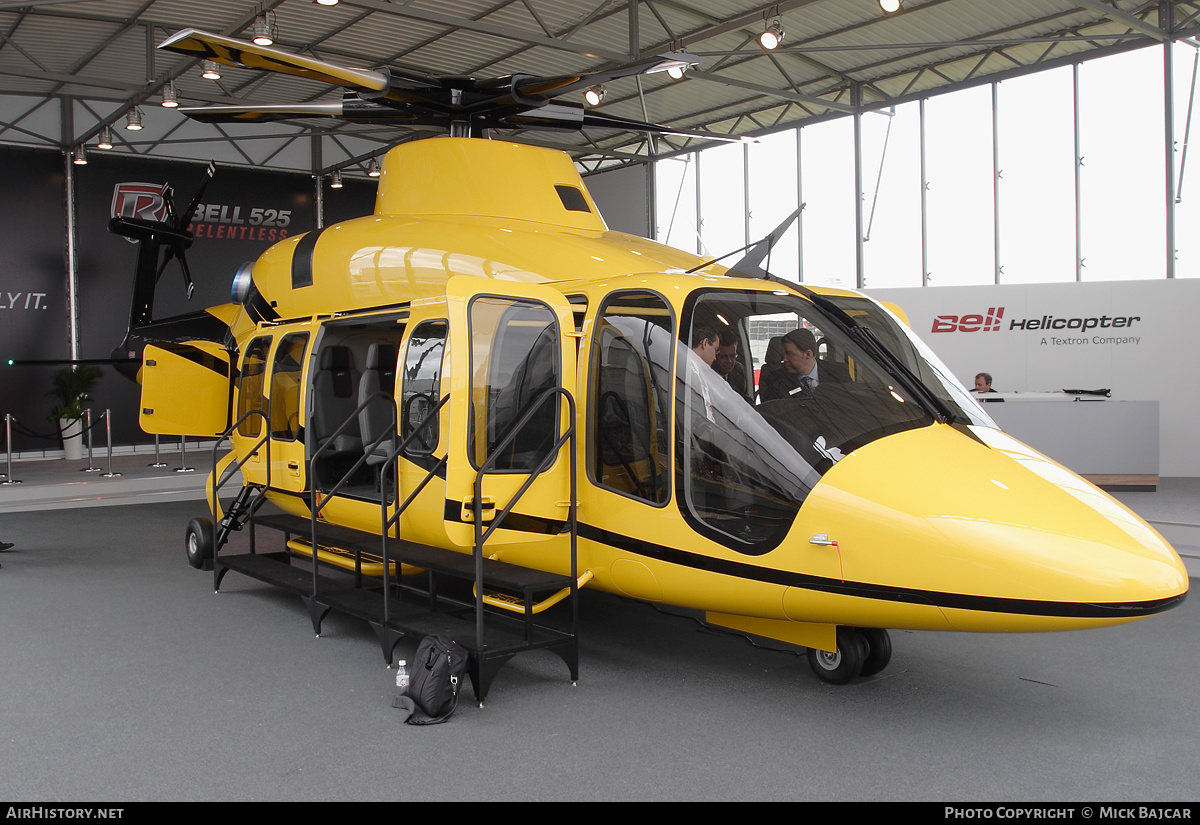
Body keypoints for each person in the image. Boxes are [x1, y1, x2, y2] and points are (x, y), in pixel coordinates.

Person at [758, 327, 847, 402]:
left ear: (808, 354)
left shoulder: (839, 374)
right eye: (783, 354)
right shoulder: (776, 379)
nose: (784, 359)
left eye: (790, 354)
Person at [712, 331, 751, 402]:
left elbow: (745, 399)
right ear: (714, 355)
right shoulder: (707, 373)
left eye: (733, 356)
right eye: (723, 356)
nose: (729, 361)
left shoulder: (738, 369)